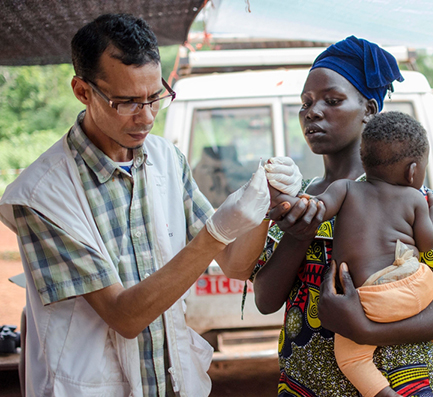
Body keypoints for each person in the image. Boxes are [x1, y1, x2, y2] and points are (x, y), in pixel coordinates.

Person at [0, 14, 301, 397]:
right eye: (126, 102)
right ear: (82, 91)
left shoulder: (165, 159)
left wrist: (260, 208)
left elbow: (236, 265)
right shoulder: (41, 195)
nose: (145, 118)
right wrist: (216, 233)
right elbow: (125, 317)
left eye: (154, 97)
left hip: (171, 383)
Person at [253, 36, 433, 397]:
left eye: (333, 100)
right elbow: (266, 301)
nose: (313, 111)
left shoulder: (410, 199)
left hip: (405, 383)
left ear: (369, 109)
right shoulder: (302, 201)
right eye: (305, 103)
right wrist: (297, 235)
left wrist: (368, 332)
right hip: (309, 386)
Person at [268, 111, 433, 397]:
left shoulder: (345, 189)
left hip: (368, 299)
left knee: (353, 359)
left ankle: (382, 393)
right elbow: (429, 242)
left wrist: (299, 205)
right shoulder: (414, 198)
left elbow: (319, 207)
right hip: (418, 287)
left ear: (364, 158)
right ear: (412, 171)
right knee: (431, 308)